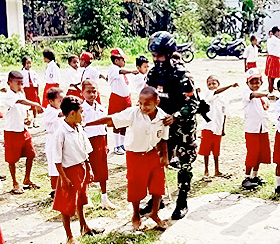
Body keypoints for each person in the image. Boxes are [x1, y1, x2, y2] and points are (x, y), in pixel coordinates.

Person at [87, 87, 170, 230]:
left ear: (157, 101)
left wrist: (165, 156)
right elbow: (112, 120)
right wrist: (88, 124)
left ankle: (154, 213)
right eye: (140, 103)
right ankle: (135, 215)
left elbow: (163, 139)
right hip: (135, 155)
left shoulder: (163, 118)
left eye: (147, 104)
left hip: (153, 154)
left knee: (158, 184)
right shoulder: (133, 113)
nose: (143, 107)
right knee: (136, 186)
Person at [146, 31, 199, 220]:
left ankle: (182, 201)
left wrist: (176, 116)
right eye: (153, 55)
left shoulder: (182, 74)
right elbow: (148, 98)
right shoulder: (153, 74)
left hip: (182, 126)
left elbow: (194, 104)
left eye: (159, 55)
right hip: (161, 126)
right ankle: (156, 200)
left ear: (169, 54)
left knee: (185, 165)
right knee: (155, 163)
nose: (156, 59)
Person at [51, 96, 104, 244]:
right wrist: (64, 177)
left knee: (81, 199)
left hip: (82, 167)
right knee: (67, 205)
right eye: (81, 112)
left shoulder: (79, 128)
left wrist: (89, 168)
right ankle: (69, 236)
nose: (83, 115)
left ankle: (84, 226)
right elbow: (57, 159)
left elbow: (85, 149)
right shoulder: (61, 133)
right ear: (72, 113)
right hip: (69, 171)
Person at [2, 71, 44, 194]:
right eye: (17, 83)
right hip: (12, 131)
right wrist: (35, 103)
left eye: (22, 83)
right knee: (12, 159)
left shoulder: (21, 93)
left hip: (23, 130)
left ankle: (27, 179)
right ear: (9, 83)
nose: (20, 86)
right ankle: (15, 182)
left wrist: (29, 117)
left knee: (31, 154)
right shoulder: (9, 95)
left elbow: (26, 109)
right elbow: (20, 102)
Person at [80, 80, 114, 209]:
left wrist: (106, 143)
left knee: (102, 170)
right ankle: (86, 198)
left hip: (100, 142)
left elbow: (104, 127)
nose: (92, 94)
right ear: (82, 92)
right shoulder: (82, 109)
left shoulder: (100, 108)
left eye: (94, 91)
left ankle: (104, 197)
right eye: (88, 92)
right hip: (88, 142)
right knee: (87, 170)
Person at [198, 75, 237, 179]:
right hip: (208, 127)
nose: (211, 85)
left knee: (216, 150)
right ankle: (206, 171)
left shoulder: (223, 98)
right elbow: (215, 92)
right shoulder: (208, 94)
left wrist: (223, 128)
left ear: (218, 84)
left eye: (214, 83)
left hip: (218, 127)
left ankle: (217, 170)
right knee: (206, 150)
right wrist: (230, 86)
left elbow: (224, 114)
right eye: (209, 84)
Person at [241, 69, 271, 190]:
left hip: (262, 128)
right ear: (247, 84)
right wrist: (266, 94)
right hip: (252, 129)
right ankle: (247, 177)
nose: (255, 85)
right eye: (252, 82)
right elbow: (253, 95)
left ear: (261, 82)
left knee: (260, 153)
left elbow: (265, 107)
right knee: (252, 153)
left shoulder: (262, 97)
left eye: (257, 82)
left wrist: (265, 97)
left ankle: (255, 175)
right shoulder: (247, 94)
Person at [107, 48, 137, 155]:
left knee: (125, 121)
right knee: (116, 121)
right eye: (122, 59)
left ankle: (122, 144)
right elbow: (120, 71)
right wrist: (132, 71)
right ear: (116, 61)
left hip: (126, 98)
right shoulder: (113, 69)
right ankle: (116, 145)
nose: (124, 62)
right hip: (117, 98)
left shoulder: (123, 72)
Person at [43, 87, 64, 198]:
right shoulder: (49, 111)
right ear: (51, 101)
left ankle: (62, 188)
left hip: (61, 140)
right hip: (52, 141)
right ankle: (54, 189)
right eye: (60, 100)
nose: (62, 103)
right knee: (53, 165)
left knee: (62, 163)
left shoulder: (57, 110)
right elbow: (60, 114)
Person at [21, 56, 42, 126]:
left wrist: (37, 91)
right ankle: (28, 119)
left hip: (33, 89)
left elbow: (37, 82)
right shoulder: (22, 73)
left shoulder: (33, 73)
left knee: (34, 104)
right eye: (27, 63)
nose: (29, 65)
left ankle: (35, 120)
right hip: (26, 90)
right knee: (27, 105)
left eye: (30, 63)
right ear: (24, 63)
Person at [265, 27, 280, 94]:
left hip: (275, 58)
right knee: (271, 76)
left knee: (272, 75)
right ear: (276, 32)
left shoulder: (273, 39)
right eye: (279, 32)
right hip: (273, 58)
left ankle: (271, 89)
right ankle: (270, 91)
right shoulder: (274, 40)